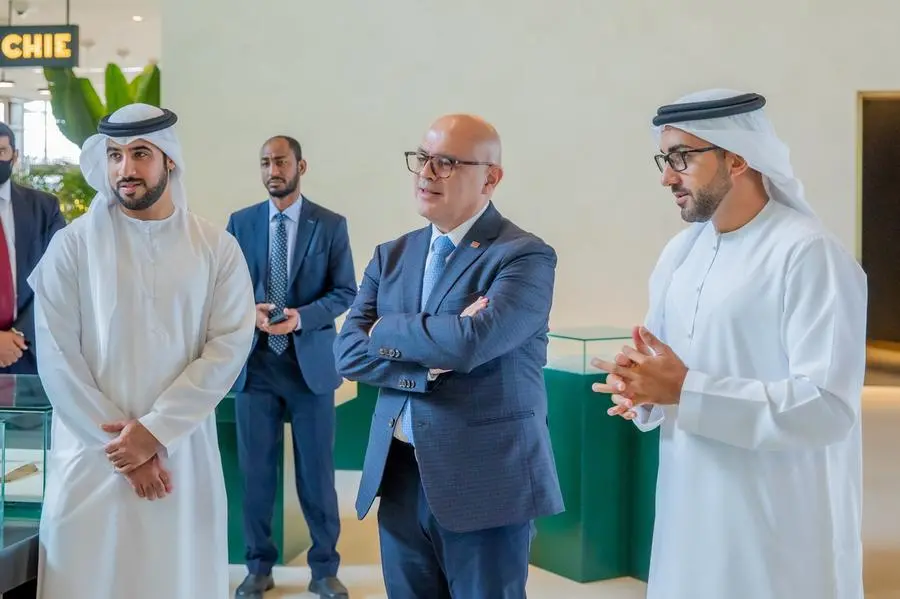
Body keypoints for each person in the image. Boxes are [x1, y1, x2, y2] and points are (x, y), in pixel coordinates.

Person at [593, 89, 867, 599]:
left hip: (775, 516)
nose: (667, 177)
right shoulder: (680, 254)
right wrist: (640, 388)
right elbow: (664, 371)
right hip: (688, 503)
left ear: (737, 158)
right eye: (664, 160)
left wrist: (686, 390)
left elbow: (828, 408)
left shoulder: (809, 253)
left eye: (682, 158)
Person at [27, 103, 257, 599]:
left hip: (180, 456)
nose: (125, 169)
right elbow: (58, 359)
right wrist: (127, 454)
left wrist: (155, 432)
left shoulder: (216, 249)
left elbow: (228, 347)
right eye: (114, 155)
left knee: (176, 580)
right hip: (91, 457)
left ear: (169, 159)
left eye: (140, 154)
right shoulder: (71, 247)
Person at [333, 114, 564, 599]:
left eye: (445, 163)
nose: (425, 173)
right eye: (422, 159)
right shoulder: (391, 255)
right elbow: (347, 354)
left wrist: (384, 329)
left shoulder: (524, 256)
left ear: (490, 178)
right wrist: (431, 361)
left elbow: (471, 343)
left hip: (485, 482)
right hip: (400, 475)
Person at [226, 135, 356, 599]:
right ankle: (258, 567)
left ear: (301, 166)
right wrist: (249, 312)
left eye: (280, 161)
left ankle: (324, 569)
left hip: (309, 368)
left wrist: (301, 317)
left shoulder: (330, 224)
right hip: (256, 366)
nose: (272, 170)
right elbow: (226, 289)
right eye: (265, 162)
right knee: (256, 476)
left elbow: (346, 292)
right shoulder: (240, 223)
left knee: (316, 476)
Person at [0, 121, 66, 375]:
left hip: (28, 350)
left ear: (14, 156)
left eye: (1, 151)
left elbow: (60, 277)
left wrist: (18, 334)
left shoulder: (45, 209)